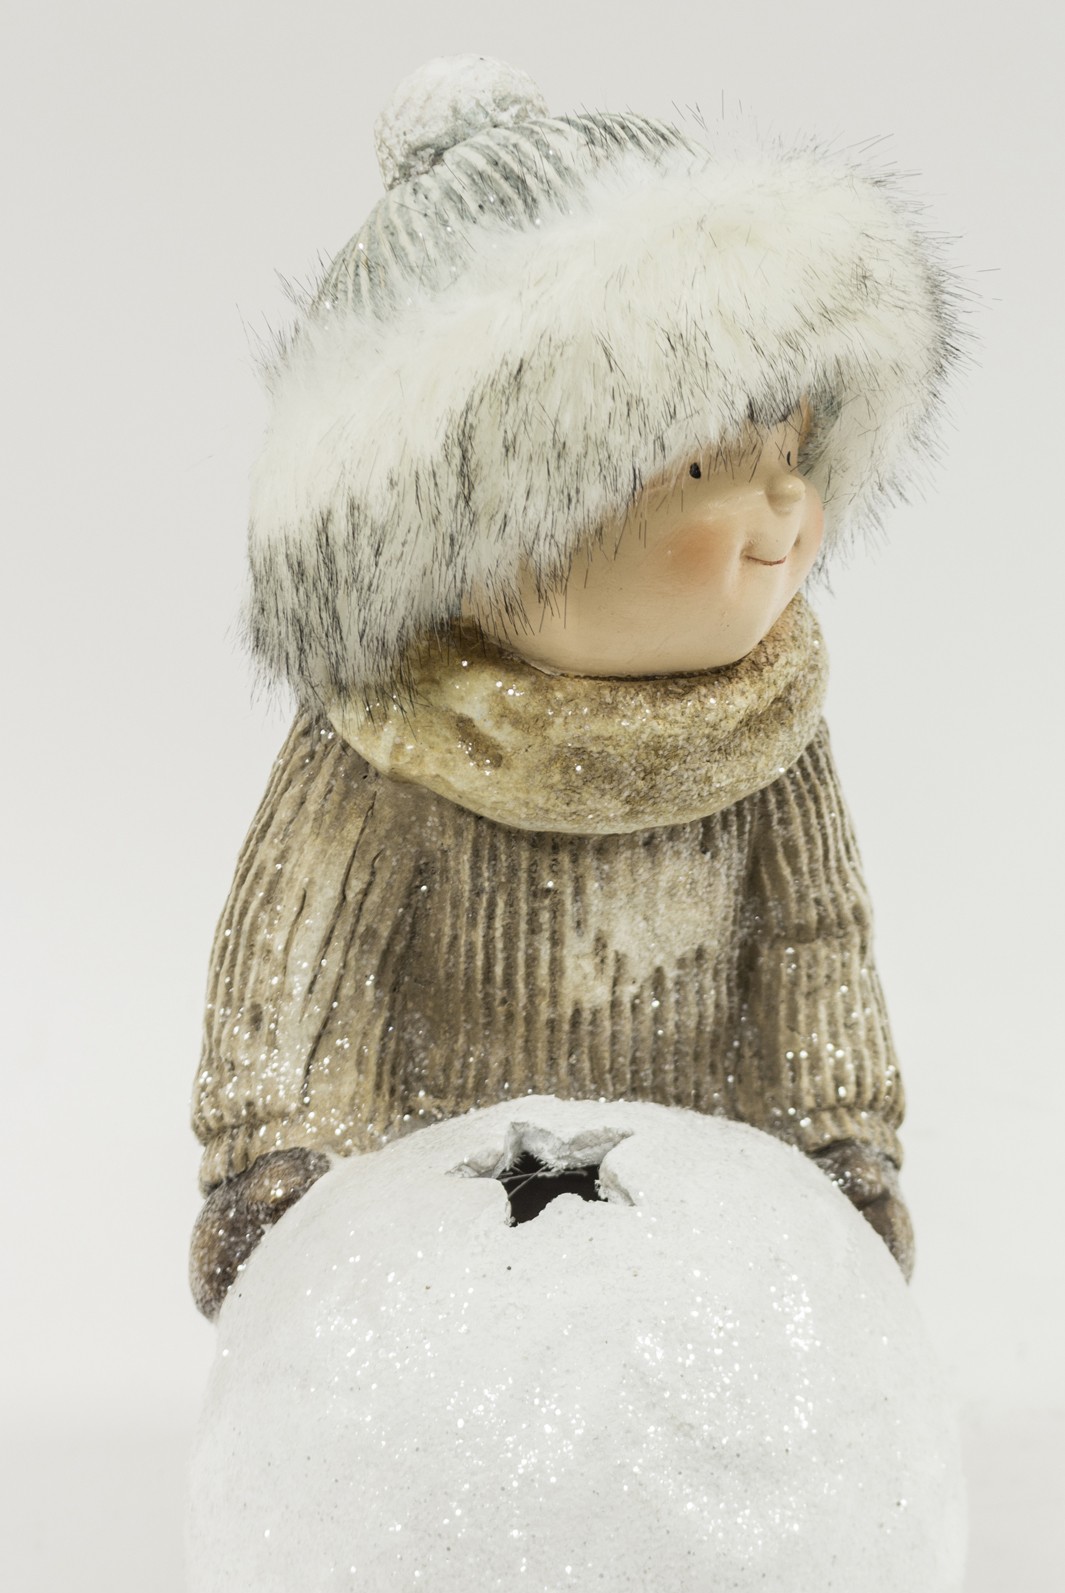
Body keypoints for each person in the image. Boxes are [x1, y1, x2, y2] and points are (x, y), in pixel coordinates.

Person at [190, 54, 967, 1318]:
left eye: (792, 447)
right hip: (436, 1228)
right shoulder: (390, 739)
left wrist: (838, 1141)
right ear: (491, 534)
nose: (787, 506)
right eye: (708, 466)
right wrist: (280, 1159)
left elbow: (814, 941)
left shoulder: (765, 728)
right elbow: (301, 949)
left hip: (697, 1223)